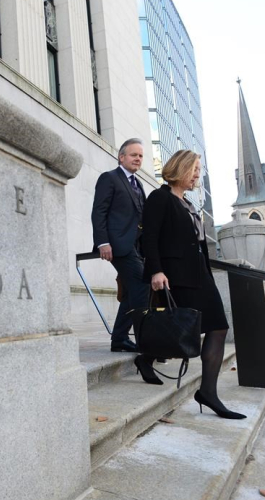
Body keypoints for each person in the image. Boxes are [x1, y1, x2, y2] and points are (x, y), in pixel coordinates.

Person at [141, 149, 246, 419]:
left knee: (218, 327)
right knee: (179, 328)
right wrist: (156, 271)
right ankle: (147, 357)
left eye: (199, 170)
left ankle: (207, 391)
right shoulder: (160, 198)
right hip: (174, 276)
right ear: (180, 168)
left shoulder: (188, 203)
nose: (197, 175)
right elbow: (149, 238)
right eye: (194, 169)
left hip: (199, 275)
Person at [91, 139, 157, 382]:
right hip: (118, 245)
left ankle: (119, 338)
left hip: (136, 247)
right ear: (121, 157)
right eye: (133, 155)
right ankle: (143, 340)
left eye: (140, 156)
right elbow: (99, 210)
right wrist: (102, 242)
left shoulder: (138, 183)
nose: (138, 159)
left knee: (132, 292)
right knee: (141, 285)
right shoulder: (109, 178)